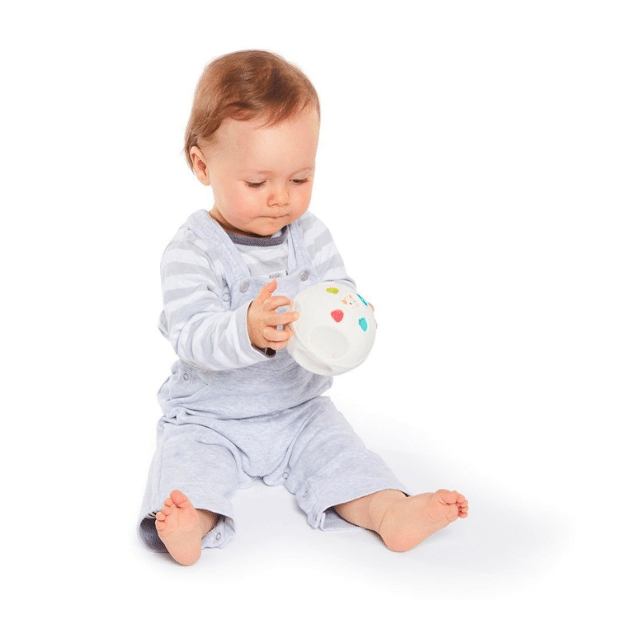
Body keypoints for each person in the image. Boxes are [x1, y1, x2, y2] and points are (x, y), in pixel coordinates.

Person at [138, 50, 468, 565]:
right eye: (257, 183)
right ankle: (190, 525)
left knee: (345, 457)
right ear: (202, 165)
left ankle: (388, 511)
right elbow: (190, 333)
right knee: (188, 471)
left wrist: (352, 316)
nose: (281, 198)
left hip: (299, 410)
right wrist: (246, 329)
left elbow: (338, 289)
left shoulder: (309, 235)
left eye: (299, 179)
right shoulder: (191, 251)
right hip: (210, 417)